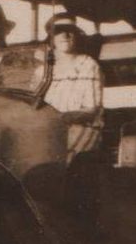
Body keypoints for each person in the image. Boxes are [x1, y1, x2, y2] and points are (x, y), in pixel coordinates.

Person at [42, 13, 104, 161]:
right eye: (59, 30)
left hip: (83, 129)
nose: (65, 35)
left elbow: (91, 110)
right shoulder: (42, 69)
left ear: (76, 35)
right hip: (49, 130)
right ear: (51, 37)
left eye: (70, 30)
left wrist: (59, 118)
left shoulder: (88, 64)